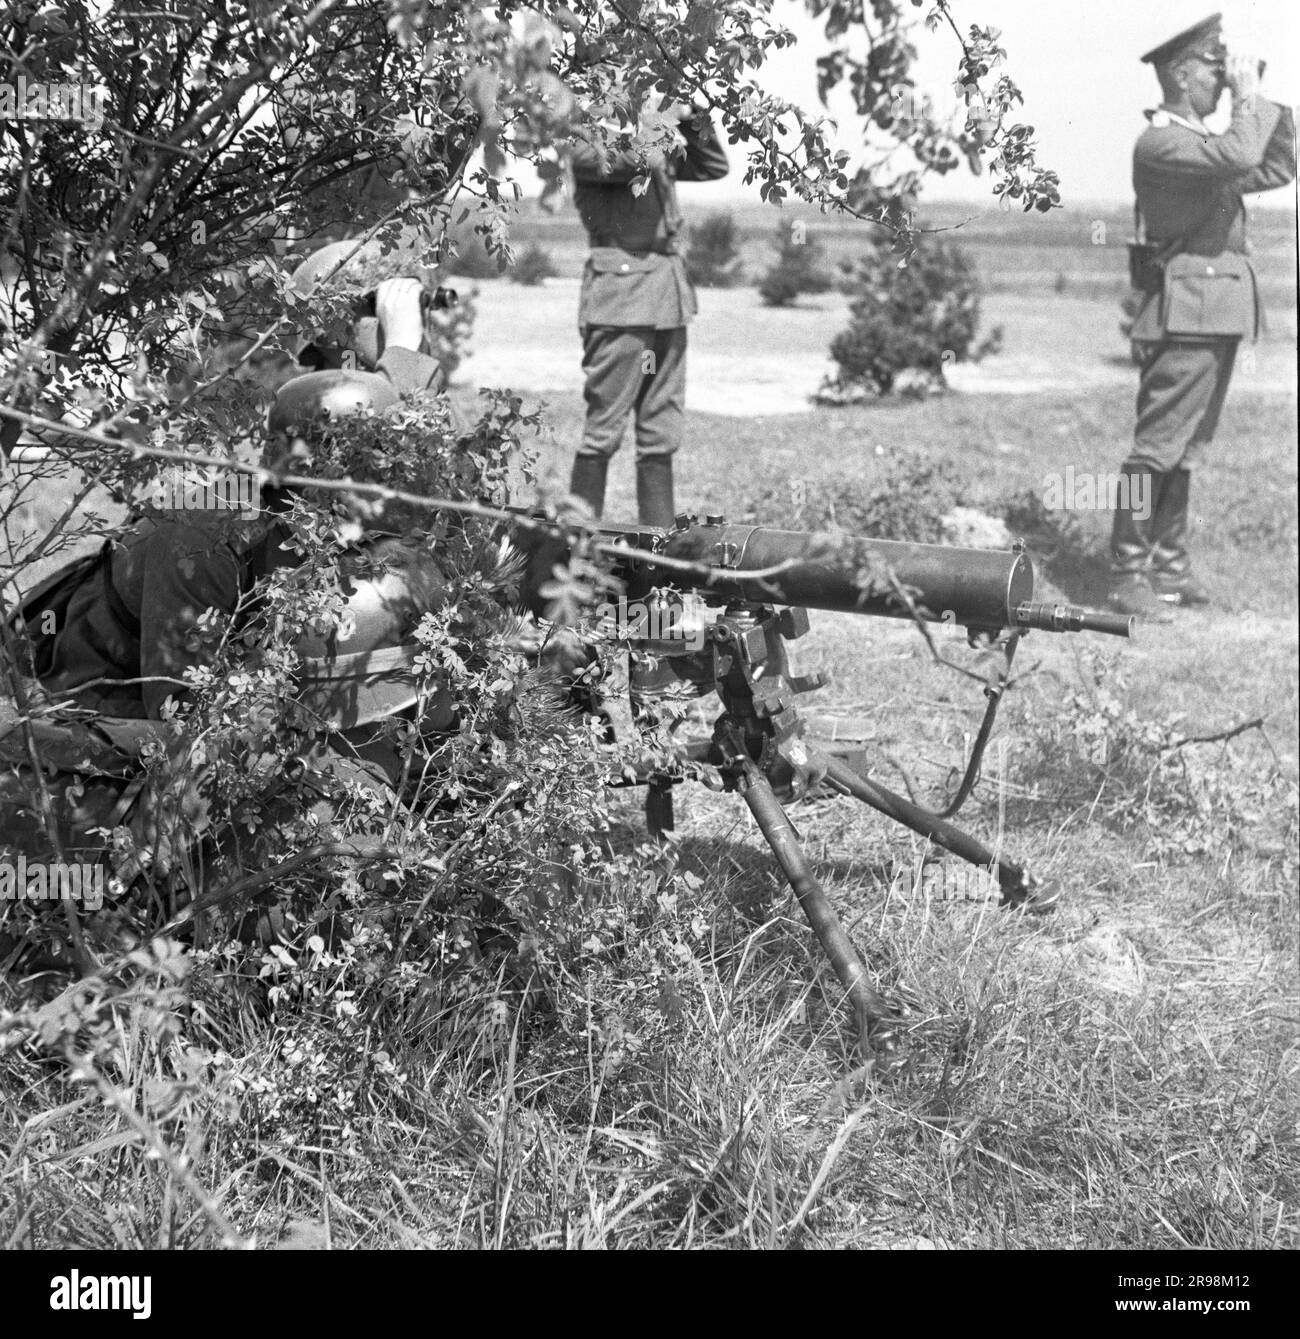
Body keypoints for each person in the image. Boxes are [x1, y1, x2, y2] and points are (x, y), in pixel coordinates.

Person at [1109, 13, 1295, 618]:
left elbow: (1274, 166)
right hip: (1184, 314)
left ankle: (1169, 566)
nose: (1222, 78)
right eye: (1214, 68)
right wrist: (1249, 100)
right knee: (1156, 449)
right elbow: (1242, 150)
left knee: (1185, 450)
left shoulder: (1201, 146)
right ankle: (1126, 570)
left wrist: (1264, 102)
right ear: (1182, 74)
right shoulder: (1162, 143)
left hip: (1214, 311)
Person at [567, 95, 728, 528]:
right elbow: (636, 160)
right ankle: (573, 552)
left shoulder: (655, 137)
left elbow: (712, 165)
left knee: (660, 434)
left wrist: (694, 119)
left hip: (665, 296)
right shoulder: (588, 137)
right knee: (604, 429)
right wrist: (661, 119)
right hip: (620, 300)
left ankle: (658, 554)